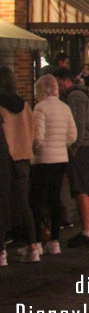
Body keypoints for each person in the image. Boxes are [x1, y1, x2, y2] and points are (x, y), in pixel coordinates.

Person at [29, 74, 76, 256]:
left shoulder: (40, 108)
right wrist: (59, 143)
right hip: (61, 159)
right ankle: (55, 241)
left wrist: (34, 149)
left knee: (38, 200)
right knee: (55, 200)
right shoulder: (65, 108)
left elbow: (37, 137)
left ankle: (38, 241)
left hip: (42, 160)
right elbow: (72, 136)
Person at [54, 68, 89, 248]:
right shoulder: (80, 94)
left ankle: (86, 230)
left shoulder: (74, 97)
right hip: (86, 146)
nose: (57, 87)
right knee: (86, 189)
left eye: (58, 83)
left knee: (80, 190)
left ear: (66, 81)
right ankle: (87, 229)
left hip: (81, 148)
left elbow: (78, 124)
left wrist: (73, 147)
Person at [1, 66, 35, 264]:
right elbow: (34, 131)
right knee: (24, 205)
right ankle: (33, 246)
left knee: (2, 205)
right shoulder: (25, 106)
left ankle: (2, 252)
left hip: (4, 159)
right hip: (23, 159)